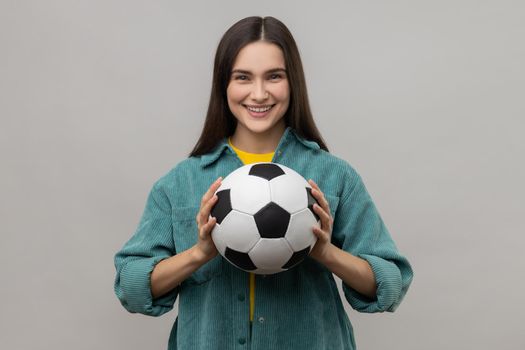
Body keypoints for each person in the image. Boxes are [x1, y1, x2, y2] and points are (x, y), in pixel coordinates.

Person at [114, 16, 413, 350]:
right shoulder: (180, 182)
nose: (259, 94)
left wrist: (325, 252)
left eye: (274, 76)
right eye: (243, 77)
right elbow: (131, 287)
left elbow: (390, 284)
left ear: (293, 82)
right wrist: (199, 253)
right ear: (223, 85)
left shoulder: (334, 176)